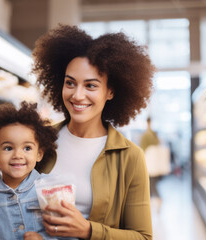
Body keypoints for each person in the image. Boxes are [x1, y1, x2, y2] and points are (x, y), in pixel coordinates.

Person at [28, 24, 155, 240]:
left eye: (91, 86)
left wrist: (88, 230)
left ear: (111, 91)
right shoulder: (38, 140)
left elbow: (143, 237)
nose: (78, 95)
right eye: (70, 83)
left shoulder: (129, 157)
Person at [0, 101, 58, 240]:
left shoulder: (51, 190)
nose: (18, 155)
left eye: (27, 148)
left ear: (39, 154)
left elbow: (69, 235)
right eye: (8, 148)